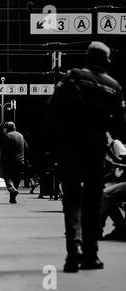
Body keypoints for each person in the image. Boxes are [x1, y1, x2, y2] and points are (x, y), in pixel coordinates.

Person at [48, 41, 126, 273]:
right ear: (106, 60)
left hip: (70, 150)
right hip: (95, 152)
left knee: (72, 200)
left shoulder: (72, 76)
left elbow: (52, 108)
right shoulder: (114, 86)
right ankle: (90, 254)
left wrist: (58, 142)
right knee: (93, 202)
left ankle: (74, 252)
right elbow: (121, 126)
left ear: (87, 57)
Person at [99, 136, 126, 240]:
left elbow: (121, 159)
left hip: (115, 178)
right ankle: (120, 227)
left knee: (106, 194)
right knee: (106, 193)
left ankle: (98, 230)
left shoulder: (116, 144)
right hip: (111, 178)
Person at [0, 122, 28, 204]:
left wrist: (2, 161)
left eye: (4, 128)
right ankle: (13, 197)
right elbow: (26, 147)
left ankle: (12, 190)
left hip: (10, 161)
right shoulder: (20, 135)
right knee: (16, 178)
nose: (3, 130)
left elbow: (4, 150)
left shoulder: (8, 136)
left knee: (6, 176)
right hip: (20, 161)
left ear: (7, 128)